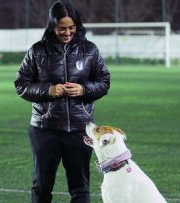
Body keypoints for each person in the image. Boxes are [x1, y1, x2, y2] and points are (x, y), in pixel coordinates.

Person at [14, 1, 110, 202]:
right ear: (52, 26)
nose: (67, 33)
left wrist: (83, 89)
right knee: (41, 187)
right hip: (44, 129)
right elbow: (21, 84)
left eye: (71, 27)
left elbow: (104, 82)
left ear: (77, 25)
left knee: (80, 188)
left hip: (79, 129)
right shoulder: (37, 50)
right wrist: (48, 90)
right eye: (62, 28)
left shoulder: (90, 50)